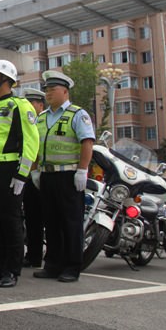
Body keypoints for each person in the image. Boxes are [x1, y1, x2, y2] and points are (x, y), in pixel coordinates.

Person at [0, 60, 39, 288]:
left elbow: (31, 142)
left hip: (9, 170)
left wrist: (22, 175)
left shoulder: (19, 106)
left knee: (10, 221)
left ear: (4, 79)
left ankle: (11, 269)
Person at [33, 70, 95, 283]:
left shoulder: (78, 114)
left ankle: (71, 266)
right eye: (46, 90)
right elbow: (35, 145)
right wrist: (35, 170)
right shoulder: (42, 118)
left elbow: (87, 142)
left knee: (71, 223)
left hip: (69, 175)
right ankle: (52, 264)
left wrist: (82, 170)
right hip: (47, 175)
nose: (48, 93)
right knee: (51, 222)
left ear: (65, 92)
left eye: (53, 89)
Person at [22, 87, 47, 268]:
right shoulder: (26, 121)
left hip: (45, 175)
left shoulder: (44, 121)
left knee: (50, 219)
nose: (29, 106)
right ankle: (33, 255)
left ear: (40, 105)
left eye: (32, 103)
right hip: (29, 176)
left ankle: (54, 256)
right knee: (32, 218)